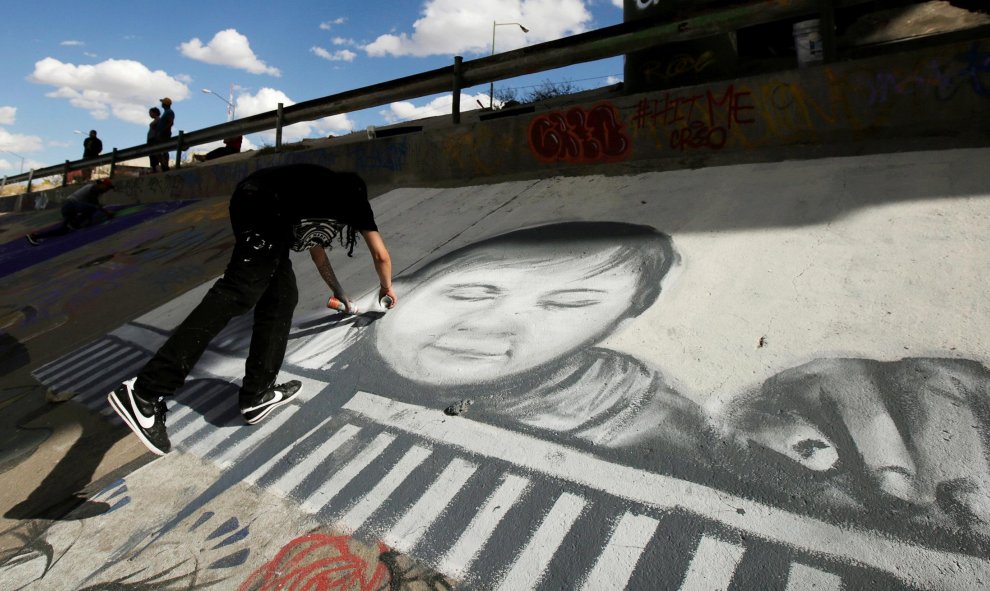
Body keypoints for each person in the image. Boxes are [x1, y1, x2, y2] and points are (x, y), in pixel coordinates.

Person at [269, 221, 990, 550]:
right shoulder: (294, 344)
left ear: (612, 327)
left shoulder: (639, 419)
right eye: (474, 290)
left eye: (570, 305)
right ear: (411, 282)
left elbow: (727, 450)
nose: (496, 323)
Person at [107, 164, 396, 457]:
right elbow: (380, 255)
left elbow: (318, 254)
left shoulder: (318, 192)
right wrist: (387, 288)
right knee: (240, 290)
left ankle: (258, 394)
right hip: (264, 205)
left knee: (282, 296)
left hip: (254, 201)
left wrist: (338, 293)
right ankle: (145, 392)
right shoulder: (353, 199)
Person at [25, 178, 115, 245]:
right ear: (102, 185)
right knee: (94, 207)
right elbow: (95, 205)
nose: (106, 191)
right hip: (70, 205)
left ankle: (35, 236)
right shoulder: (94, 188)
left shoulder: (93, 188)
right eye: (106, 188)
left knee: (62, 230)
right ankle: (75, 223)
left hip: (69, 207)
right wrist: (107, 213)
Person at [157, 97, 175, 171]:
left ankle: (165, 165)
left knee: (164, 149)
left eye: (162, 102)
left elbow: (171, 122)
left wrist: (164, 130)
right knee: (160, 150)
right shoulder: (166, 112)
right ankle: (164, 165)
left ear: (165, 104)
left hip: (164, 134)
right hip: (162, 133)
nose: (161, 104)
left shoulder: (169, 112)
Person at [147, 107, 162, 172]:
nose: (150, 114)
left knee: (154, 154)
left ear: (154, 113)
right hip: (151, 139)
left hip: (153, 139)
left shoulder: (158, 119)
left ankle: (155, 168)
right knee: (151, 154)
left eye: (150, 113)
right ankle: (153, 168)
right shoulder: (156, 120)